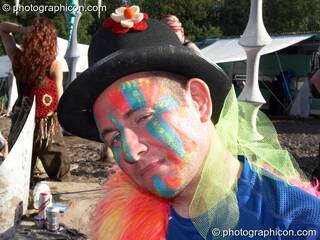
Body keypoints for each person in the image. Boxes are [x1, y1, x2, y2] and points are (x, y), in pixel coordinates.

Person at [58, 5, 320, 240]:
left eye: (144, 117)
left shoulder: (298, 223)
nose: (129, 151)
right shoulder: (120, 218)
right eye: (114, 137)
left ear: (199, 101)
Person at [0, 18, 70, 182]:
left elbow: (3, 28)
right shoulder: (53, 64)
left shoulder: (19, 58)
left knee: (20, 171)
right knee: (59, 172)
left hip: (29, 122)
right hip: (44, 125)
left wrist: (25, 30)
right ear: (51, 41)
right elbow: (60, 97)